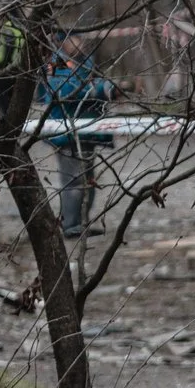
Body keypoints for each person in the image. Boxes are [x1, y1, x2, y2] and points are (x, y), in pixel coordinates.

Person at [39, 37, 114, 239]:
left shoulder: (86, 60)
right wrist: (98, 90)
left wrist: (107, 87)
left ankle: (81, 223)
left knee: (88, 180)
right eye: (76, 37)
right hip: (67, 133)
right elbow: (61, 89)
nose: (80, 42)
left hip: (87, 130)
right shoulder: (56, 63)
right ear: (64, 40)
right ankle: (70, 226)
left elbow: (93, 81)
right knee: (73, 181)